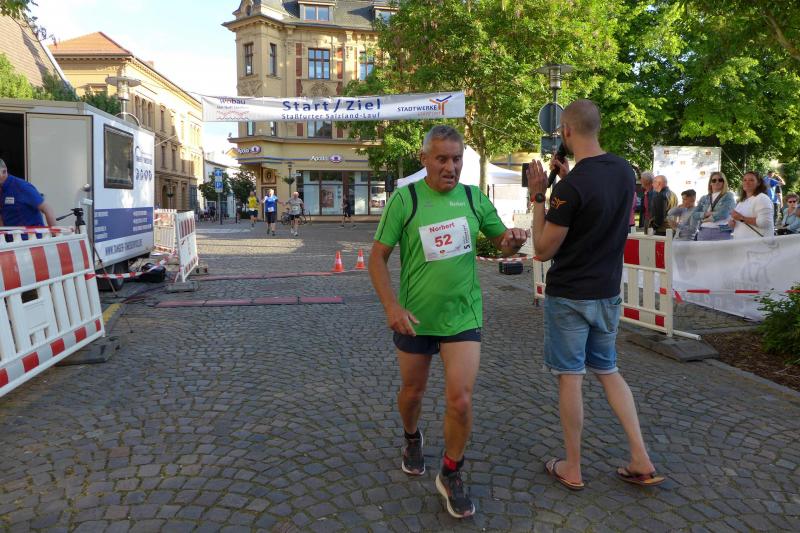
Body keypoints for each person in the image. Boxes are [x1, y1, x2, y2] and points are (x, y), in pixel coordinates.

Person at [368, 125, 527, 518]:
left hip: (462, 316)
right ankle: (412, 437)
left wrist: (513, 239)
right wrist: (392, 307)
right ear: (424, 159)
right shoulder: (406, 200)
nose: (450, 167)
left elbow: (501, 242)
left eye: (457, 159)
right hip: (415, 318)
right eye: (441, 159)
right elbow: (377, 258)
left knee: (461, 399)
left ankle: (451, 471)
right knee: (413, 393)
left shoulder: (472, 198)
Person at [526, 99, 665, 491]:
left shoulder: (569, 188)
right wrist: (567, 180)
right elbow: (596, 205)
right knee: (608, 370)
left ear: (566, 132)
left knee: (571, 377)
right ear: (596, 127)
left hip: (570, 295)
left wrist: (539, 197)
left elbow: (543, 249)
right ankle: (640, 458)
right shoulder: (624, 171)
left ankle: (572, 467)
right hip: (607, 292)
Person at [0, 158, 56, 227]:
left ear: (4, 171)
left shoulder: (21, 187)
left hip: (32, 233)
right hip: (11, 233)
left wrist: (54, 232)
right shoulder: (2, 190)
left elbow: (47, 209)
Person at [692, 171, 736, 241]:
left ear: (724, 182)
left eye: (720, 180)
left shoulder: (728, 196)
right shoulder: (704, 198)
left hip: (721, 231)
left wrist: (705, 219)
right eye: (714, 180)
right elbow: (694, 214)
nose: (717, 182)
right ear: (710, 183)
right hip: (703, 231)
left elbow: (723, 214)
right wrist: (707, 213)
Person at [730, 171, 774, 239]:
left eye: (751, 180)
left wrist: (741, 218)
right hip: (742, 243)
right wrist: (732, 222)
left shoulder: (762, 198)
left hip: (757, 244)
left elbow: (764, 223)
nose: (747, 182)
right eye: (744, 180)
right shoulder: (742, 201)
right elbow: (738, 221)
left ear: (758, 183)